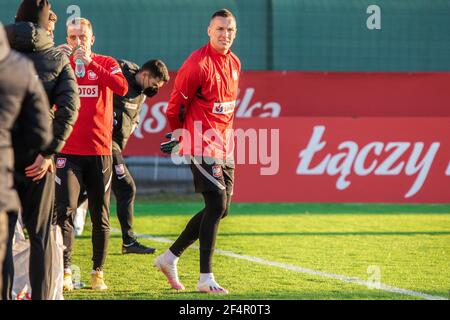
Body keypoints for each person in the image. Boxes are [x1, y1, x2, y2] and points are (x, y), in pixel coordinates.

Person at [156, 9, 241, 294]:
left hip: (225, 146)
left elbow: (225, 110)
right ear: (209, 30)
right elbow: (173, 108)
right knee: (216, 204)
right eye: (220, 29)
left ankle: (170, 257)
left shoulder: (235, 63)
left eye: (230, 30)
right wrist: (182, 137)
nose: (225, 34)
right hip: (201, 144)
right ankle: (205, 277)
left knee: (221, 209)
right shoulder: (197, 64)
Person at [4, 0, 80, 300]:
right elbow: (70, 108)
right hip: (39, 159)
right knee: (40, 238)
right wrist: (50, 152)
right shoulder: (56, 59)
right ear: (45, 23)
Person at [56, 17, 128, 291]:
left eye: (82, 37)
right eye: (72, 37)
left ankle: (98, 272)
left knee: (100, 214)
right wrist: (54, 63)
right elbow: (45, 97)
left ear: (92, 40)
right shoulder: (62, 63)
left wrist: (92, 63)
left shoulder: (107, 63)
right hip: (68, 152)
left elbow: (122, 88)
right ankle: (64, 271)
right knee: (64, 212)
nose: (77, 42)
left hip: (99, 152)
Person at [0, 21, 53, 299]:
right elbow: (46, 126)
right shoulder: (30, 70)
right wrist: (47, 153)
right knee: (40, 236)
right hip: (35, 164)